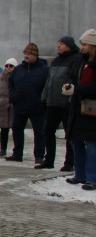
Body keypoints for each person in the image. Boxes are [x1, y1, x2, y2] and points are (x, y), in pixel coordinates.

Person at [40, 36, 83, 171]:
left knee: (68, 134)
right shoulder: (56, 60)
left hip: (66, 103)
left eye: (62, 44)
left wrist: (70, 97)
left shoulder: (76, 59)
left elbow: (75, 79)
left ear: (69, 45)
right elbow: (49, 81)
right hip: (52, 103)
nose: (59, 46)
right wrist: (44, 98)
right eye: (58, 43)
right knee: (48, 131)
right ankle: (48, 160)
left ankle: (69, 163)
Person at [7, 42, 49, 164]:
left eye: (29, 54)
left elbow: (47, 86)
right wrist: (13, 97)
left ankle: (39, 156)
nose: (26, 56)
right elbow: (11, 84)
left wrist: (41, 100)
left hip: (37, 107)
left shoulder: (44, 69)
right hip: (20, 105)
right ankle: (17, 154)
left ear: (36, 55)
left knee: (39, 132)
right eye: (25, 53)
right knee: (17, 130)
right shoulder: (19, 69)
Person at [64, 29, 96, 189]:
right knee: (75, 141)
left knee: (92, 145)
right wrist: (69, 85)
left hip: (92, 110)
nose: (81, 47)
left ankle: (92, 178)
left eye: (84, 44)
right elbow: (72, 77)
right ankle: (80, 174)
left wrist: (77, 90)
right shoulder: (80, 61)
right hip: (77, 107)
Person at [0, 58, 16, 157]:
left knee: (16, 129)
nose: (8, 68)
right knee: (4, 129)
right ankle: (3, 149)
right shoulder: (1, 77)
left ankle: (17, 150)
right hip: (2, 105)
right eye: (6, 66)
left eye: (11, 66)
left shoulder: (18, 77)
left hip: (14, 105)